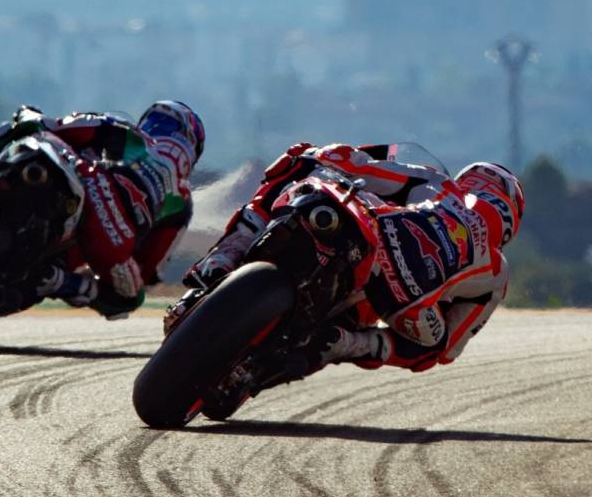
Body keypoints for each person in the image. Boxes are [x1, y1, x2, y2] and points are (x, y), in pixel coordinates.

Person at [172, 142, 523, 375]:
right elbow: (448, 349)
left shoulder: (439, 184)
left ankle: (227, 254)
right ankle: (344, 343)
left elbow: (362, 169)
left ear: (469, 180)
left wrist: (334, 156)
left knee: (302, 159)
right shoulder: (496, 272)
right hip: (405, 302)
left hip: (377, 239)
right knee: (431, 345)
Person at [0, 101, 204, 320]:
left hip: (86, 184)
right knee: (129, 297)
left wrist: (28, 119)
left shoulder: (128, 133)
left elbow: (54, 126)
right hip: (110, 242)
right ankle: (58, 281)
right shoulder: (181, 198)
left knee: (22, 126)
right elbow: (147, 272)